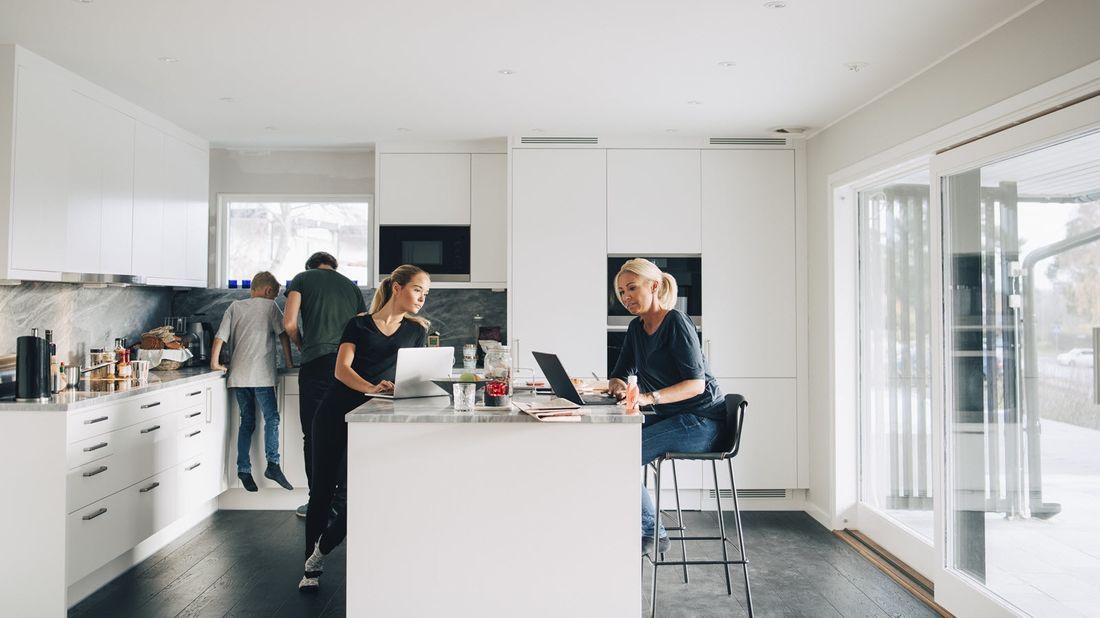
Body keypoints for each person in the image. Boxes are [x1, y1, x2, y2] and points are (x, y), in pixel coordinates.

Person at [298, 264, 431, 592]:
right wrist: (373, 387)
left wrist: (403, 389)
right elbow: (342, 371)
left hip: (373, 419)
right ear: (397, 287)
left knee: (364, 491)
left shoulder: (416, 331)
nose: (422, 299)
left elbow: (419, 378)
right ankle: (309, 569)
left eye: (426, 293)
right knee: (322, 492)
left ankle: (321, 550)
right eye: (417, 289)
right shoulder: (358, 325)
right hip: (334, 412)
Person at [607, 258, 727, 557]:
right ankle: (627, 525)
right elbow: (620, 372)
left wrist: (648, 397)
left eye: (632, 288)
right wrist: (618, 385)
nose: (626, 297)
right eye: (622, 292)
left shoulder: (676, 322)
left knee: (620, 456)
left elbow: (696, 385)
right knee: (609, 446)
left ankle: (651, 532)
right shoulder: (637, 328)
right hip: (674, 418)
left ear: (654, 285)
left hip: (703, 421)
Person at [284, 251, 367, 517]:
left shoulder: (302, 278)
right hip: (349, 367)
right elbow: (363, 328)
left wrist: (302, 345)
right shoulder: (351, 287)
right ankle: (342, 502)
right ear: (334, 267)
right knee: (346, 434)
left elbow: (288, 323)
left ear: (309, 266)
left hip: (317, 363)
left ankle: (318, 503)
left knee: (314, 434)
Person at [211, 271, 296, 492]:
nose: (275, 299)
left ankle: (243, 469)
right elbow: (284, 335)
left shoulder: (235, 306)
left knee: (247, 422)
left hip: (238, 375)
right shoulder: (270, 307)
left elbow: (220, 337)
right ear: (269, 291)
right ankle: (273, 464)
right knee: (272, 419)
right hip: (261, 375)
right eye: (275, 295)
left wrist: (214, 363)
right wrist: (288, 362)